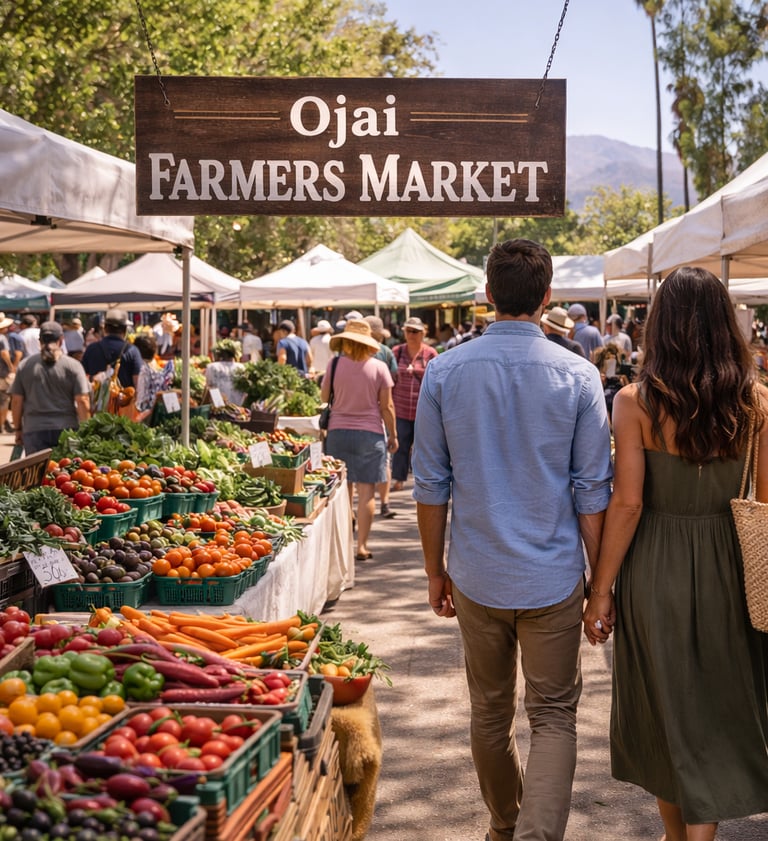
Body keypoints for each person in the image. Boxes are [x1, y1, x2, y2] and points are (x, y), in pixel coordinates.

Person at [412, 238, 612, 841]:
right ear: (548, 296)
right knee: (553, 717)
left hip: (476, 574)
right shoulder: (579, 374)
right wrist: (599, 587)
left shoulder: (444, 371)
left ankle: (506, 826)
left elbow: (430, 484)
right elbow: (592, 492)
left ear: (489, 296)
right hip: (552, 578)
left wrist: (434, 571)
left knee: (490, 715)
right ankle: (534, 834)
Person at [583, 266, 768, 841]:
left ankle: (679, 836)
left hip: (655, 566)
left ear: (660, 325)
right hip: (734, 565)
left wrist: (600, 590)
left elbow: (629, 504)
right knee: (715, 702)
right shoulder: (758, 401)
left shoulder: (636, 401)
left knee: (665, 708)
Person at [321, 319, 398, 561]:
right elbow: (387, 406)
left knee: (343, 491)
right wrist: (393, 435)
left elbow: (324, 399)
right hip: (370, 434)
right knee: (367, 493)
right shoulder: (379, 368)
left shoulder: (333, 365)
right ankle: (362, 546)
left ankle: (344, 541)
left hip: (337, 433)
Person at [10, 320, 90, 455]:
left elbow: (16, 401)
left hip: (34, 430)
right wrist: (86, 431)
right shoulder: (73, 365)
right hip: (67, 430)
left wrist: (18, 429)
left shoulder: (25, 366)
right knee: (65, 474)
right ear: (61, 340)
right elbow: (82, 400)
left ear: (39, 340)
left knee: (38, 474)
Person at [390, 316, 437, 491]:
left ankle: (423, 481)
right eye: (408, 331)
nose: (411, 334)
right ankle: (399, 479)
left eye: (415, 331)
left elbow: (436, 378)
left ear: (423, 333)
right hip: (401, 408)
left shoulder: (430, 353)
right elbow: (390, 378)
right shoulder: (397, 352)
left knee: (422, 447)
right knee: (401, 445)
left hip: (422, 409)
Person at [364, 315, 398, 519]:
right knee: (384, 460)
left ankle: (351, 510)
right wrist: (394, 432)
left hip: (353, 416)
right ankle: (385, 503)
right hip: (379, 413)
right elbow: (393, 379)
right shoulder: (385, 353)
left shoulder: (349, 353)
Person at [81, 308, 142, 390]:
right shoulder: (132, 351)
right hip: (125, 402)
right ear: (125, 330)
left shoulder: (91, 349)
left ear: (105, 328)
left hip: (96, 401)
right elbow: (138, 383)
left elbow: (82, 378)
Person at [132, 333, 165, 419]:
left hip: (143, 416)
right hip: (155, 413)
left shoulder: (142, 369)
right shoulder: (156, 369)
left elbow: (140, 398)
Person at [204, 339, 245, 405]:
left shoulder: (212, 367)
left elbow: (210, 387)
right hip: (238, 406)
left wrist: (219, 404)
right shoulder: (241, 367)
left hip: (219, 405)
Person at [0, 313, 16, 433]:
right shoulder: (2, 338)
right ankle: (1, 425)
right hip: (2, 374)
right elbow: (4, 353)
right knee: (4, 400)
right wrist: (11, 366)